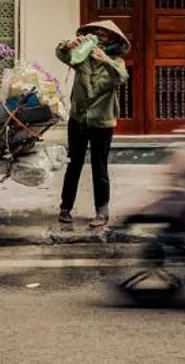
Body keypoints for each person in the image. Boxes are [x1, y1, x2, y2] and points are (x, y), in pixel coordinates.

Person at [55, 19, 129, 234]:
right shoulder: (82, 57)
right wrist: (69, 45)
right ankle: (65, 207)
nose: (98, 37)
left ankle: (102, 211)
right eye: (96, 33)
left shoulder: (116, 61)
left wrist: (106, 60)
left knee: (99, 166)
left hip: (102, 122)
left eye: (103, 35)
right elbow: (61, 55)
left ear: (112, 40)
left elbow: (122, 77)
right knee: (74, 163)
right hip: (78, 119)